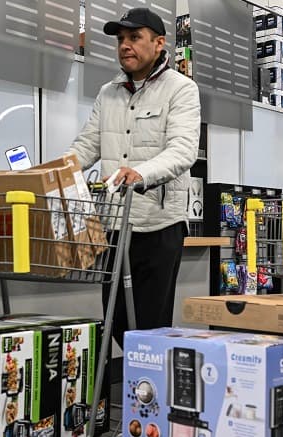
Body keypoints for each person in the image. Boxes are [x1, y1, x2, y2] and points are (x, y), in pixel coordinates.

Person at [68, 7, 201, 349]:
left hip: (158, 227)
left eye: (134, 37)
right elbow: (87, 145)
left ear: (159, 43)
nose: (125, 45)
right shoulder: (107, 92)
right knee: (116, 323)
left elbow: (183, 150)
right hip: (115, 226)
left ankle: (149, 398)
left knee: (151, 328)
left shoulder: (181, 90)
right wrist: (51, 172)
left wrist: (140, 174)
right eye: (120, 39)